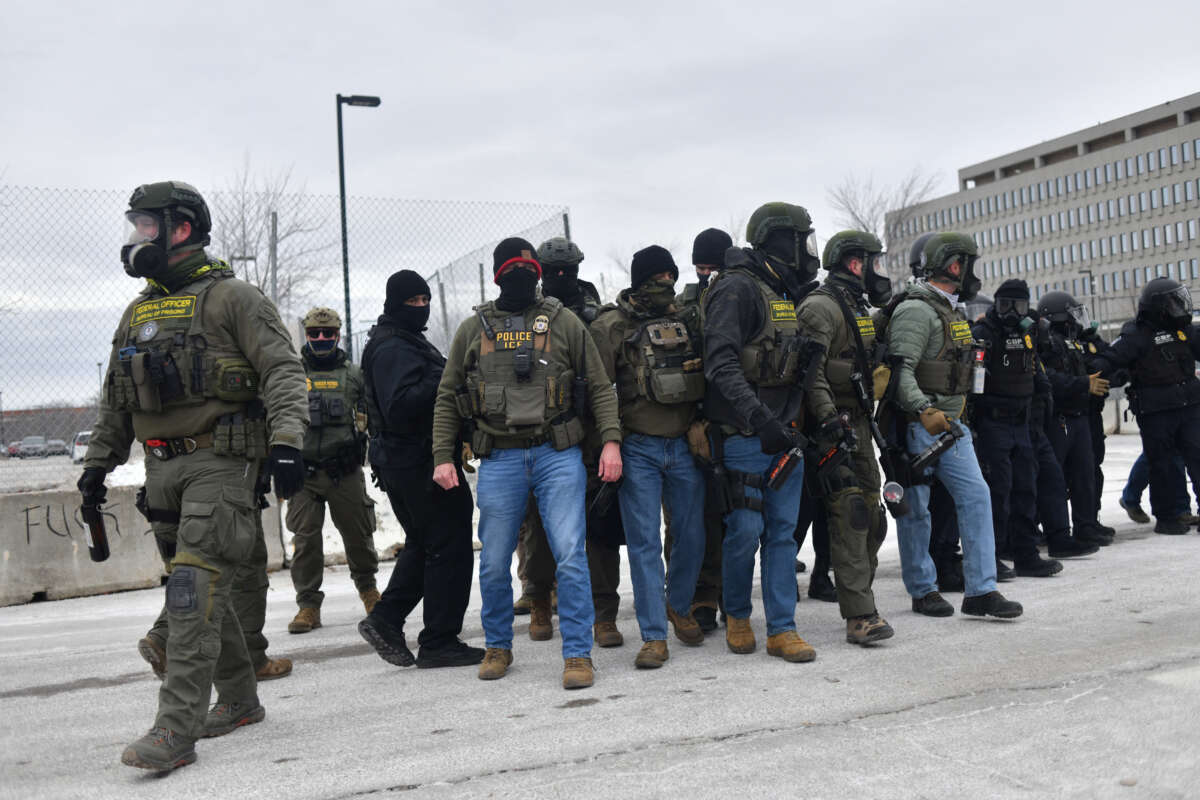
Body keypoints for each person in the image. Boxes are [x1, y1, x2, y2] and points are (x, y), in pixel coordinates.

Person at [77, 181, 308, 771]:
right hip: (160, 470)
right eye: (135, 227)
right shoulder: (138, 311)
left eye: (146, 226)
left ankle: (173, 730)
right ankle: (239, 700)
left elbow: (283, 370)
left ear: (181, 228)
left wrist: (286, 444)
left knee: (190, 594)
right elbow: (116, 398)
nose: (137, 238)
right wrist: (98, 464)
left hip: (220, 466)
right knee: (208, 597)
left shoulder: (234, 298)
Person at [432, 237, 623, 689]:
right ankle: (498, 645)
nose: (520, 276)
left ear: (537, 273)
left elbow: (598, 387)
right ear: (497, 275)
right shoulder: (471, 330)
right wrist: (443, 455)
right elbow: (447, 395)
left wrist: (611, 442)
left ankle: (577, 654)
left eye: (527, 268)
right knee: (495, 562)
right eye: (511, 269)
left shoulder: (565, 322)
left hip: (557, 453)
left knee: (572, 558)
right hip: (498, 457)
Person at [701, 201, 822, 662]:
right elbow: (721, 364)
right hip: (745, 435)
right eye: (801, 240)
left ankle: (782, 628)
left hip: (784, 435)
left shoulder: (782, 291)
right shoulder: (737, 289)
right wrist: (760, 419)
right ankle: (735, 614)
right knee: (745, 530)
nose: (807, 251)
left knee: (782, 535)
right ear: (780, 240)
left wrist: (788, 422)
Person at [883, 232, 1022, 619]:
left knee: (977, 496)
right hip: (920, 425)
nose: (971, 270)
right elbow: (900, 372)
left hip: (953, 427)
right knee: (918, 509)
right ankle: (922, 589)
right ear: (953, 265)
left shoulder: (950, 309)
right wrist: (923, 410)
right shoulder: (916, 310)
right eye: (967, 261)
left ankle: (981, 590)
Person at [357, 271, 483, 668]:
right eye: (412, 302)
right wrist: (447, 376)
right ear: (395, 304)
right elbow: (402, 406)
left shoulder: (402, 340)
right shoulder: (393, 347)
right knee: (449, 546)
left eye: (424, 300)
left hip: (410, 459)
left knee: (427, 543)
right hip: (416, 460)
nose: (421, 308)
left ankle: (387, 619)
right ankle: (439, 640)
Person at [590, 245, 708, 668]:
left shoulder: (687, 319)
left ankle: (677, 605)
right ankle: (654, 635)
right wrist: (610, 441)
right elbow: (600, 390)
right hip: (637, 446)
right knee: (643, 545)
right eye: (657, 278)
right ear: (639, 282)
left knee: (691, 536)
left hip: (684, 443)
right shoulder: (611, 327)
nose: (665, 285)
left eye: (670, 277)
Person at [795, 230, 895, 644]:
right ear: (855, 264)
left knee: (873, 515)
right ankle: (860, 615)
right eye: (873, 262)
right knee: (851, 511)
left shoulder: (853, 306)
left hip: (856, 423)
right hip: (830, 428)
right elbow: (811, 371)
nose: (878, 272)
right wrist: (829, 420)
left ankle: (859, 595)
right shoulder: (820, 307)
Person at [285, 307, 379, 634]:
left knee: (358, 534)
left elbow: (372, 415)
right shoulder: (292, 374)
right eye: (314, 333)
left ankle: (369, 593)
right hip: (303, 473)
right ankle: (308, 606)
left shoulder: (354, 374)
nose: (321, 339)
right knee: (306, 539)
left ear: (338, 334)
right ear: (306, 334)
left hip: (345, 470)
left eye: (328, 333)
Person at [1091, 278, 1200, 535]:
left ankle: (1179, 511)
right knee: (1162, 465)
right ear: (1159, 306)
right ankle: (1168, 517)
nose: (1179, 306)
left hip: (1190, 405)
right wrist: (1089, 377)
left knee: (1198, 458)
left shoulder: (1184, 331)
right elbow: (1108, 360)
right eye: (1174, 301)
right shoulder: (1137, 334)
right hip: (1155, 411)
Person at [969, 279, 1063, 578]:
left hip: (1023, 424)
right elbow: (975, 385)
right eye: (1004, 305)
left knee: (1026, 489)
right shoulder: (984, 335)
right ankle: (992, 556)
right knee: (998, 493)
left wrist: (1042, 400)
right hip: (993, 423)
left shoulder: (1028, 333)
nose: (1010, 312)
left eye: (1017, 306)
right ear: (995, 305)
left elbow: (1035, 370)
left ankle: (1026, 554)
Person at [1037, 291, 1113, 546]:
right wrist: (1083, 384)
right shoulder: (1046, 342)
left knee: (1085, 475)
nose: (1076, 321)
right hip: (1059, 418)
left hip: (1080, 416)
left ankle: (1086, 525)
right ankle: (1055, 530)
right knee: (1055, 478)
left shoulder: (1074, 342)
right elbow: (1048, 378)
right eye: (1072, 315)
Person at [677, 227, 731, 308]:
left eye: (712, 269)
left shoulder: (741, 296)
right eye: (701, 268)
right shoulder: (683, 301)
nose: (706, 273)